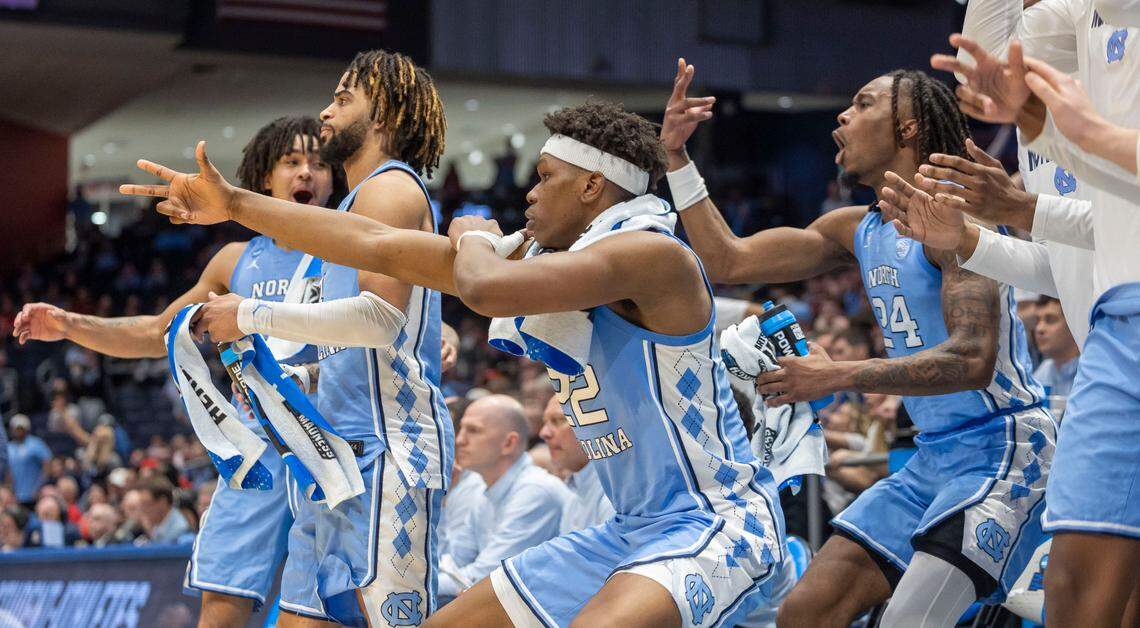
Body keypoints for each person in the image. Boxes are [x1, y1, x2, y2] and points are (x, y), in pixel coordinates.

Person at [124, 94, 788, 627]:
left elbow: (481, 285)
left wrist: (468, 234)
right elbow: (376, 245)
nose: (528, 196)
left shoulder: (652, 254)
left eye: (545, 180)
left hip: (718, 520)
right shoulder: (549, 264)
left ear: (593, 188)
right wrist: (238, 206)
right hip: (631, 529)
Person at [666, 58, 1053, 627]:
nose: (841, 117)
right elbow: (728, 259)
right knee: (805, 611)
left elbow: (972, 360)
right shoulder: (856, 228)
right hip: (933, 456)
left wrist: (839, 374)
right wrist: (676, 159)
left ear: (910, 126)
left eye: (864, 103)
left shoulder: (956, 218)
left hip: (1004, 448)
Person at [13, 115, 336, 627]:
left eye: (319, 164)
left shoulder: (347, 246)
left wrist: (445, 336)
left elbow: (399, 311)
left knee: (311, 614)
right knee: (220, 608)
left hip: (327, 448)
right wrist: (71, 324)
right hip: (255, 448)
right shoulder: (234, 259)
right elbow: (156, 332)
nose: (307, 174)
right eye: (292, 162)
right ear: (264, 179)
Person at [176, 49, 451, 627]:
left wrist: (251, 313)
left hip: (389, 452)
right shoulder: (349, 208)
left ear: (385, 116)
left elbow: (380, 319)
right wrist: (289, 380)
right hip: (330, 458)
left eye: (343, 99)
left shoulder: (392, 189)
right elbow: (346, 350)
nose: (326, 111)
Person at [931, 21, 1140, 623]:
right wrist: (975, 240)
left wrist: (1027, 199)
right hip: (1115, 328)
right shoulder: (1062, 79)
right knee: (1074, 590)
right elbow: (1081, 246)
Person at [439, 395, 572, 599]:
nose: (459, 440)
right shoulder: (485, 491)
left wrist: (415, 588)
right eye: (462, 429)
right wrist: (437, 502)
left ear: (508, 443)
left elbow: (484, 581)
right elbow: (453, 563)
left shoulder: (535, 491)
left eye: (473, 430)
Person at [535, 395, 614, 534]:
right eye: (545, 422)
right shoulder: (573, 489)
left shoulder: (615, 495)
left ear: (596, 426)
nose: (543, 433)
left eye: (558, 420)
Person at [5, 415, 51, 510]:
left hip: (34, 495)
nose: (18, 431)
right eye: (15, 429)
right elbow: (8, 471)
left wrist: (39, 487)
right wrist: (10, 491)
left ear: (26, 429)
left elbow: (47, 465)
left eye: (20, 428)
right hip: (16, 496)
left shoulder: (36, 443)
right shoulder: (9, 447)